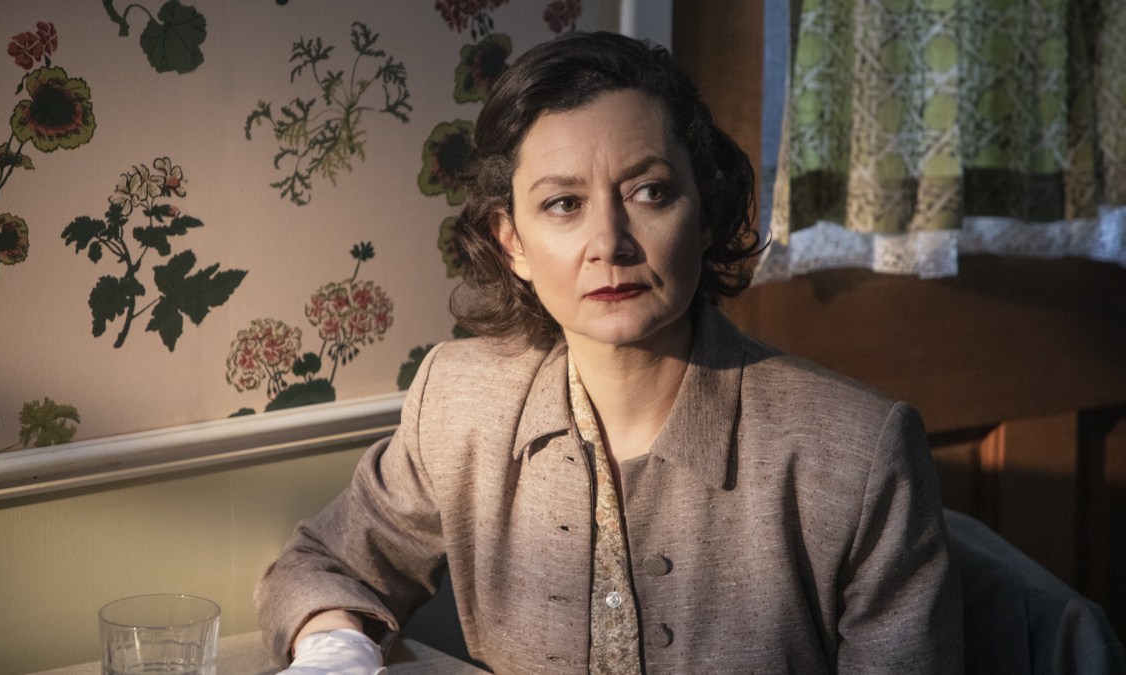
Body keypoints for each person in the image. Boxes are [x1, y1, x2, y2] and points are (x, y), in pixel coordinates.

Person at [255, 31, 963, 674]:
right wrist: (335, 648)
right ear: (512, 242)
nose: (610, 242)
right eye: (564, 203)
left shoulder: (860, 452)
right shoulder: (459, 401)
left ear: (706, 211)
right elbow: (321, 562)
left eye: (650, 192)